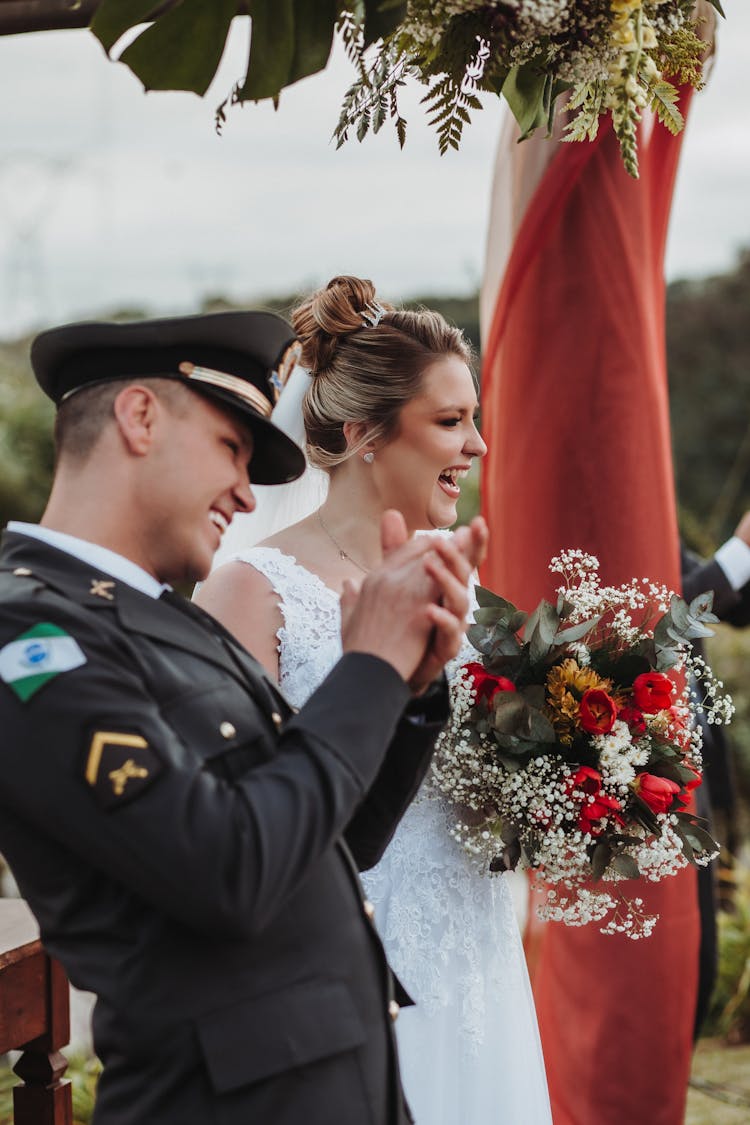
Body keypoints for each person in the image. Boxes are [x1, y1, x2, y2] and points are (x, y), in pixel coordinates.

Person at [0, 309, 485, 1125]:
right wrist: (365, 667)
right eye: (231, 447)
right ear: (140, 417)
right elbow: (226, 868)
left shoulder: (170, 620)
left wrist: (410, 685)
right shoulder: (32, 641)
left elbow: (337, 839)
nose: (248, 491)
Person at [196, 276, 552, 1124]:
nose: (479, 446)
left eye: (473, 417)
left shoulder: (459, 580)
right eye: (450, 420)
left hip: (478, 954)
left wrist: (565, 781)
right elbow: (239, 811)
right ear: (362, 433)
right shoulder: (252, 590)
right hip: (346, 966)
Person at [682, 510, 750, 1037]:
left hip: (702, 772)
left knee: (703, 942)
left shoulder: (666, 540)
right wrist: (741, 546)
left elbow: (735, 605)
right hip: (654, 783)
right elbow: (670, 616)